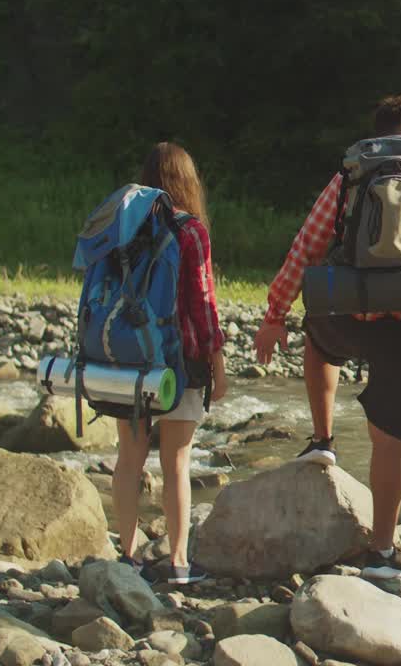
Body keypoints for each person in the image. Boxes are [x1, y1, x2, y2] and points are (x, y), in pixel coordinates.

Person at [253, 95, 401, 580]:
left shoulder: (353, 171)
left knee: (316, 336)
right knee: (390, 439)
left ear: (380, 131)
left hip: (350, 313)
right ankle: (382, 552)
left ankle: (322, 440)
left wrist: (275, 313)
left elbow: (309, 243)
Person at [114, 142, 228, 585]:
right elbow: (203, 304)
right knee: (176, 462)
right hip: (178, 360)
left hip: (126, 359)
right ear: (186, 180)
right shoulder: (190, 230)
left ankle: (126, 555)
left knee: (129, 458)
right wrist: (217, 361)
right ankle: (179, 561)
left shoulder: (125, 226)